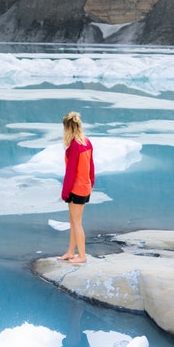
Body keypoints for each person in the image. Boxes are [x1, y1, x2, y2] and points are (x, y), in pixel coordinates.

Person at [58, 111, 95, 264]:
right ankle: (70, 252)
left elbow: (71, 172)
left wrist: (65, 193)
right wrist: (90, 182)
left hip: (76, 188)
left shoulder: (74, 146)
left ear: (67, 128)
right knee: (73, 220)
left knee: (77, 222)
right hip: (85, 186)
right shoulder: (86, 142)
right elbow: (91, 166)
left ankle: (82, 256)